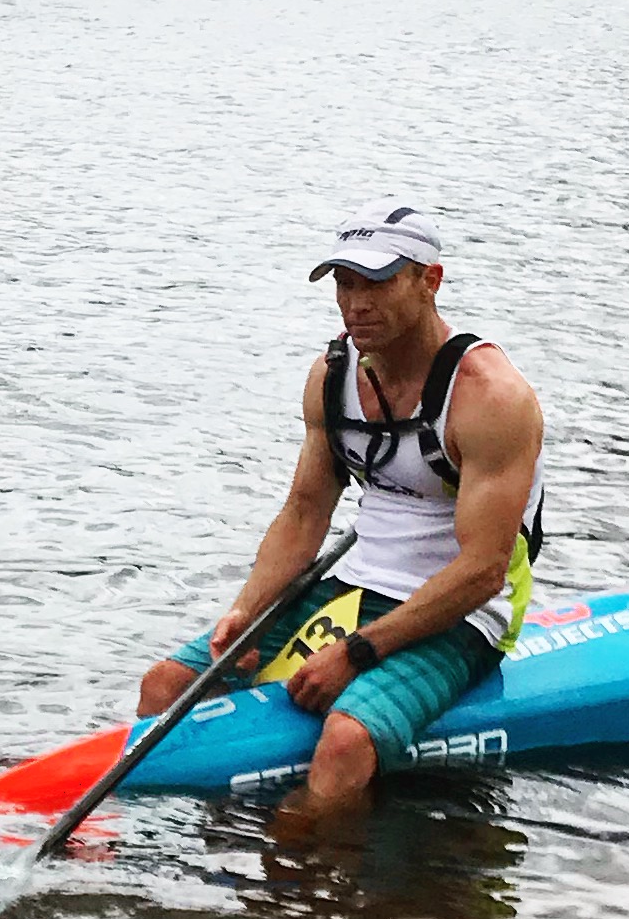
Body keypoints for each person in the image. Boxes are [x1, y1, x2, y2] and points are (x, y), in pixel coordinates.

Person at [141, 199, 545, 818]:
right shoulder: (330, 378)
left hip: (463, 611)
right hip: (351, 587)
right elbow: (305, 512)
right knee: (167, 685)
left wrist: (356, 654)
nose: (356, 303)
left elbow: (485, 569)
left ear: (428, 280)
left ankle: (301, 887)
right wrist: (246, 612)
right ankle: (131, 840)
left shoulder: (491, 397)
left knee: (346, 740)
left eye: (377, 283)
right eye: (344, 283)